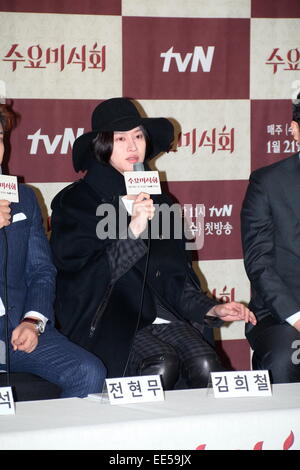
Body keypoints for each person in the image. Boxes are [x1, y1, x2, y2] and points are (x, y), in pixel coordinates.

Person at [50, 97, 256, 389]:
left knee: (206, 364)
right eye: (120, 138)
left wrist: (211, 309)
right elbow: (80, 280)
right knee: (161, 362)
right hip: (109, 320)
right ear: (102, 145)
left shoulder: (161, 201)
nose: (132, 147)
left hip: (164, 317)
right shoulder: (76, 202)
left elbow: (174, 279)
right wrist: (133, 228)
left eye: (137, 136)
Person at [0, 103, 107, 398]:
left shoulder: (21, 197)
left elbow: (41, 270)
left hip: (14, 329)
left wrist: (32, 321)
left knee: (87, 371)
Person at [241, 94, 300, 383]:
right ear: (294, 130)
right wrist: (296, 316)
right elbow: (259, 262)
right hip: (281, 315)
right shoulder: (267, 183)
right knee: (288, 355)